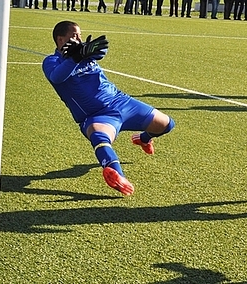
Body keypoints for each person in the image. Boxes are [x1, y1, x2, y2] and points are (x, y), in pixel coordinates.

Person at [42, 20, 175, 195]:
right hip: (97, 115)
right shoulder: (51, 61)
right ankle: (118, 176)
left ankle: (143, 139)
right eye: (74, 35)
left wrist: (86, 52)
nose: (79, 38)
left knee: (167, 124)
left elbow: (100, 51)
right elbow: (57, 77)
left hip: (122, 102)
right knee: (99, 136)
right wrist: (75, 58)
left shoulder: (84, 53)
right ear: (60, 40)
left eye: (80, 34)